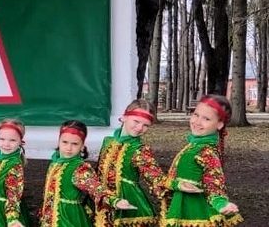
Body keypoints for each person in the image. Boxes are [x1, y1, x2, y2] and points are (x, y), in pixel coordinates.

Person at [160, 95, 244, 227]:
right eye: (196, 114)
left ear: (220, 124)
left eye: (206, 119)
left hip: (195, 213)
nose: (197, 122)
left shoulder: (206, 152)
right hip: (182, 207)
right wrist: (177, 185)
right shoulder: (194, 146)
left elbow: (214, 182)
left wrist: (221, 204)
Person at [95, 100, 176, 227]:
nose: (139, 128)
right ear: (124, 117)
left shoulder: (140, 150)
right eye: (136, 121)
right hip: (105, 203)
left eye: (146, 125)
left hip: (130, 204)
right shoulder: (108, 142)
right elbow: (98, 173)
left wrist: (176, 185)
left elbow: (156, 177)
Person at [39, 120, 135, 227]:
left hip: (69, 218)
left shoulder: (79, 168)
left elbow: (94, 187)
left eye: (75, 144)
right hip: (50, 217)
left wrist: (114, 201)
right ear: (58, 142)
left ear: (82, 146)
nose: (69, 148)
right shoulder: (55, 162)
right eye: (65, 142)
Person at [0, 119, 32, 227]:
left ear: (20, 142)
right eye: (2, 139)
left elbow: (13, 193)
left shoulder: (14, 164)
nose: (6, 144)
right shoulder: (1, 159)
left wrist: (12, 219)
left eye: (12, 140)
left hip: (3, 213)